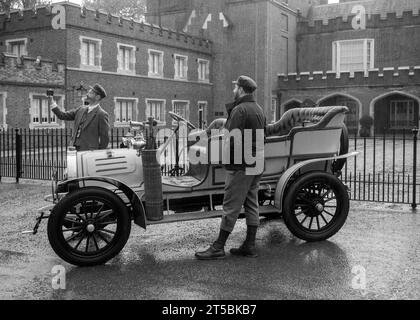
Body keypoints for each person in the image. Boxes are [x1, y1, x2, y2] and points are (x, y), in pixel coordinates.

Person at [195, 75, 266, 260]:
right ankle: (249, 245)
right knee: (251, 202)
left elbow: (230, 139)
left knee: (230, 205)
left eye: (235, 88)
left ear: (241, 89)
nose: (233, 91)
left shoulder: (239, 110)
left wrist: (225, 160)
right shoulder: (259, 109)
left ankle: (218, 247)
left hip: (240, 165)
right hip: (257, 162)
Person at [48, 84, 110, 151]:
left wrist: (97, 153)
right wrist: (52, 102)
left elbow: (105, 139)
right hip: (73, 149)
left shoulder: (101, 114)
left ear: (97, 97)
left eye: (91, 93)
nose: (87, 94)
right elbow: (62, 115)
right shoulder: (81, 109)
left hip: (89, 152)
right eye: (88, 92)